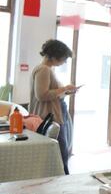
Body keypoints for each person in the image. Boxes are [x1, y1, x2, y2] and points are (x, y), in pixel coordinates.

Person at [29, 39, 77, 174]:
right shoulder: (44, 69)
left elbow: (49, 94)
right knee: (61, 154)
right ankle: (62, 182)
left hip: (54, 113)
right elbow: (42, 95)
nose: (64, 62)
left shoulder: (45, 69)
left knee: (61, 152)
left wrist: (65, 91)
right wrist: (64, 88)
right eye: (64, 58)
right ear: (55, 55)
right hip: (50, 117)